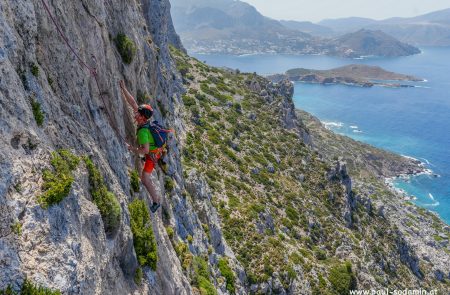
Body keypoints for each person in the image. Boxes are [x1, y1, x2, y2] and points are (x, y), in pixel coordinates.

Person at [119, 80, 162, 213]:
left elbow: (145, 150)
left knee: (145, 179)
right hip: (154, 149)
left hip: (152, 155)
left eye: (138, 113)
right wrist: (124, 88)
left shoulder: (143, 131)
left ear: (143, 118)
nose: (135, 113)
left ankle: (156, 201)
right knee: (145, 175)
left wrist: (131, 148)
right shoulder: (144, 121)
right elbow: (132, 103)